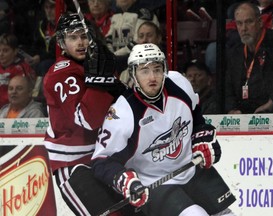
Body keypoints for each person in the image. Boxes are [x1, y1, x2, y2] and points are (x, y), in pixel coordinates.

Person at [91, 43, 236, 216]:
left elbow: (197, 120)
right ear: (133, 74)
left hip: (190, 170)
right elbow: (101, 161)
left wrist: (202, 139)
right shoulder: (122, 112)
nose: (152, 77)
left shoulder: (180, 84)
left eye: (157, 69)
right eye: (144, 71)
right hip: (155, 183)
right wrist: (124, 181)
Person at [43, 12, 126, 215]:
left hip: (106, 158)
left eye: (84, 36)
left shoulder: (96, 64)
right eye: (73, 37)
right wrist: (100, 83)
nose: (80, 42)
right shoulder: (60, 74)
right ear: (62, 42)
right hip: (74, 164)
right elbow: (87, 120)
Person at [225, 2, 273, 114]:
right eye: (239, 23)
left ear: (259, 22)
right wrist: (232, 109)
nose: (244, 28)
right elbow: (227, 86)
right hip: (244, 113)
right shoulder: (235, 52)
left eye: (249, 22)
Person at [119, 21, 163, 87]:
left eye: (149, 35)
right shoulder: (125, 74)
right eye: (141, 36)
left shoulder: (165, 68)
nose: (144, 40)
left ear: (158, 38)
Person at [0, 33, 36, 109]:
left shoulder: (23, 68)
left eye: (5, 51)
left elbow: (31, 93)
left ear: (15, 51)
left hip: (17, 110)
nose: (1, 54)